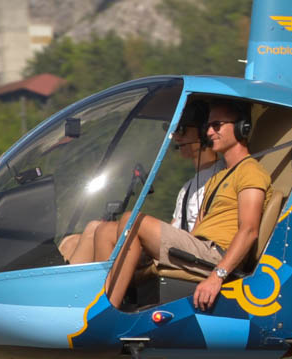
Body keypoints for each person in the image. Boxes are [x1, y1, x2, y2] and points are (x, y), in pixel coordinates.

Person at [105, 99, 271, 311]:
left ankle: (108, 310)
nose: (209, 132)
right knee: (108, 231)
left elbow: (249, 230)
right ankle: (98, 299)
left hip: (216, 254)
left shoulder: (250, 171)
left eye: (217, 125)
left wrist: (217, 275)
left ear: (241, 127)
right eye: (207, 126)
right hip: (198, 248)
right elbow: (196, 229)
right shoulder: (218, 178)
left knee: (133, 220)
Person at [58, 101, 218, 265]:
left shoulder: (218, 179)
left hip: (188, 255)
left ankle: (92, 290)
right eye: (174, 130)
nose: (176, 137)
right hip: (171, 247)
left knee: (99, 230)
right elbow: (174, 228)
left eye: (181, 130)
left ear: (204, 133)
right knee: (73, 241)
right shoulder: (189, 186)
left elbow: (198, 236)